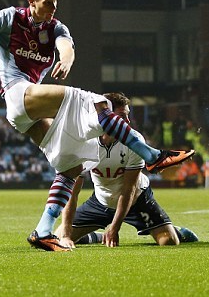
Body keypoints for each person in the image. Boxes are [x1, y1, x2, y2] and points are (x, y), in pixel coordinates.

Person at [0, 0, 194, 251]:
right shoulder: (9, 18)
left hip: (29, 115)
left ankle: (42, 231)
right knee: (101, 102)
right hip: (18, 94)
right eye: (49, 3)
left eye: (56, 2)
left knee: (71, 166)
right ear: (32, 1)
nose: (54, 8)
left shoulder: (56, 28)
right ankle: (153, 157)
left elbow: (67, 48)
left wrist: (65, 60)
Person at [54, 93, 198, 248]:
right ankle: (96, 236)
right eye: (122, 116)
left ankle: (175, 231)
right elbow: (72, 192)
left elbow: (128, 189)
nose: (128, 122)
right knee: (58, 237)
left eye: (128, 116)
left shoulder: (134, 141)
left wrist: (115, 228)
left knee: (168, 241)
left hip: (136, 199)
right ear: (107, 116)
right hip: (101, 200)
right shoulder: (83, 142)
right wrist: (66, 236)